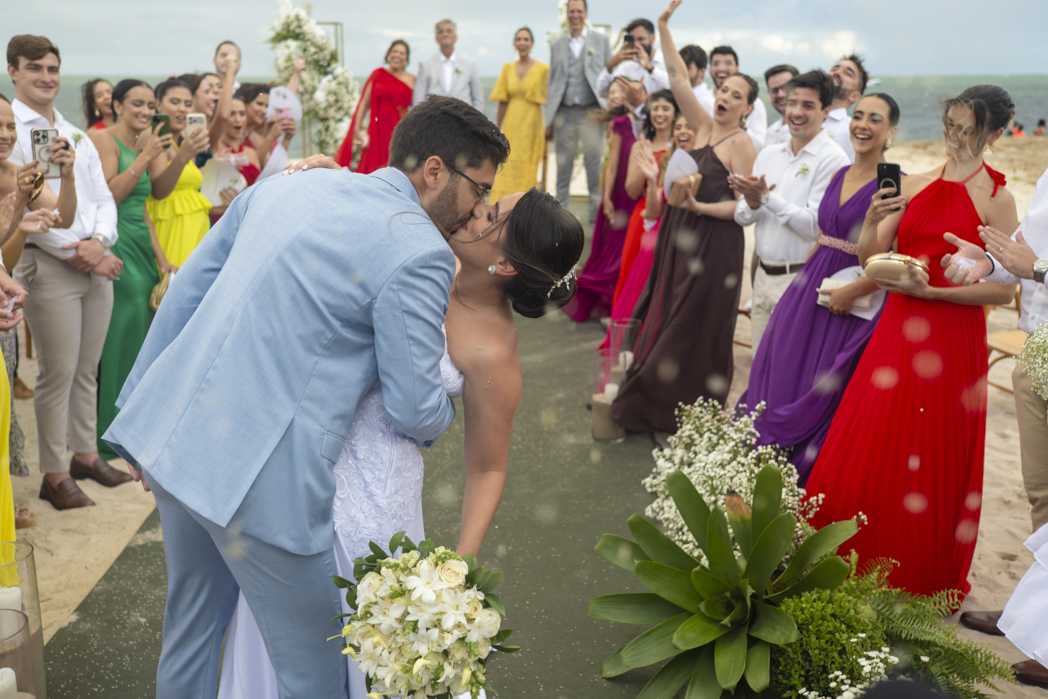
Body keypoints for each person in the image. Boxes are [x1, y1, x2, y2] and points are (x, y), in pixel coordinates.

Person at [101, 95, 510, 697]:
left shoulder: (286, 186)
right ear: (434, 170)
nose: (479, 208)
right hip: (263, 486)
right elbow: (413, 407)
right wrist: (447, 404)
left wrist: (142, 417)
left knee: (189, 635)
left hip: (176, 441)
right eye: (480, 189)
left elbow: (188, 287)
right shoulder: (420, 251)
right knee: (315, 674)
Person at [216, 168, 585, 699]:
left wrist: (460, 566)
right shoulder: (421, 252)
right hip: (298, 461)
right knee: (276, 635)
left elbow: (488, 465)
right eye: (486, 198)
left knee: (372, 642)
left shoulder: (493, 350)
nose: (474, 207)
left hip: (377, 495)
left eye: (491, 214)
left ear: (504, 263)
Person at [805, 85, 1020, 598]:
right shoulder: (916, 183)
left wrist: (939, 292)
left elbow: (1007, 285)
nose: (956, 138)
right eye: (951, 126)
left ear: (993, 134)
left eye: (969, 130)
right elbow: (870, 260)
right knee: (872, 440)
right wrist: (875, 221)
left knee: (933, 453)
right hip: (897, 330)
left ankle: (915, 576)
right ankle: (850, 562)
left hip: (953, 337)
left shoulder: (998, 197)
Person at [611, 0, 757, 441]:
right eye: (724, 90)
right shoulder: (700, 121)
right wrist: (662, 26)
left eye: (737, 95)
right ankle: (653, 405)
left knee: (694, 325)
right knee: (667, 311)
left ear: (748, 108)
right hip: (680, 235)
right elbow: (675, 77)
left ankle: (678, 414)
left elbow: (745, 210)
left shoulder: (742, 144)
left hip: (714, 245)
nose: (726, 98)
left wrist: (698, 209)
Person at [738, 93, 900, 483]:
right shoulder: (838, 175)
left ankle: (808, 477)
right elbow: (824, 233)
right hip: (811, 284)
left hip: (853, 296)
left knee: (823, 386)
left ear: (891, 131)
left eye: (874, 119)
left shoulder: (895, 185)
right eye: (857, 115)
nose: (862, 124)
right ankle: (762, 467)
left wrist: (853, 291)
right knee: (780, 371)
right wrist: (800, 285)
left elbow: (887, 259)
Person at [7, 35, 129, 510]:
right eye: (35, 68)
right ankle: (54, 473)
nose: (47, 77)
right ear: (13, 71)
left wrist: (102, 242)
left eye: (53, 68)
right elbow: (23, 208)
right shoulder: (9, 129)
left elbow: (102, 197)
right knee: (57, 371)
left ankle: (85, 453)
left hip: (92, 262)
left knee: (86, 370)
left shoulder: (74, 132)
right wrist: (80, 250)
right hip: (48, 263)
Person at [942, 164, 1048, 688]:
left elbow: (1038, 266)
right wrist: (984, 260)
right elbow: (1021, 259)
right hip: (1038, 351)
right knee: (1043, 499)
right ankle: (1038, 625)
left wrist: (1042, 270)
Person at [0, 91, 77, 522]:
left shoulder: (20, 175)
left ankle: (5, 503)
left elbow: (63, 218)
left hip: (5, 302)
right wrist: (15, 219)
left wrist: (66, 175)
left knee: (5, 410)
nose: (7, 134)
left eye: (11, 126)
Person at [90, 80, 177, 461]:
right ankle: (108, 434)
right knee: (122, 336)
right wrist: (143, 157)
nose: (145, 112)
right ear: (117, 105)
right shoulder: (105, 141)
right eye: (137, 104)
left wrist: (161, 258)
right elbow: (107, 197)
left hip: (142, 244)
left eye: (150, 105)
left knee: (143, 336)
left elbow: (144, 208)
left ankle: (135, 427)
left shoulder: (144, 142)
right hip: (116, 242)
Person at [731, 69, 850, 350]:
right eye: (792, 103)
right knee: (758, 364)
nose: (796, 112)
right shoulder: (769, 155)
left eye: (808, 105)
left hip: (800, 280)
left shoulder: (833, 159)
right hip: (761, 278)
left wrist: (766, 198)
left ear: (826, 111)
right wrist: (751, 201)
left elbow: (816, 226)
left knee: (787, 368)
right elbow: (741, 217)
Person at [561, 87, 648, 321]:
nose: (615, 97)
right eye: (612, 94)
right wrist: (606, 197)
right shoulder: (622, 123)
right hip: (619, 194)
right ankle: (596, 292)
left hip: (638, 194)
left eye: (621, 92)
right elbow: (612, 163)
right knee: (612, 249)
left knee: (628, 248)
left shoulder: (649, 125)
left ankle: (619, 298)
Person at [605, 113, 694, 338]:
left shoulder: (708, 161)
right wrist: (653, 181)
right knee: (641, 289)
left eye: (689, 127)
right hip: (660, 234)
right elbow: (654, 210)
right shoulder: (668, 160)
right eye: (679, 126)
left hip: (692, 237)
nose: (683, 131)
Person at [546, 0, 612, 225]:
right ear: (567, 14)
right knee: (563, 171)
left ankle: (595, 225)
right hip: (565, 113)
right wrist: (549, 120)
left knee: (594, 171)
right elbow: (553, 83)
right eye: (571, 11)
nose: (575, 15)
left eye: (579, 11)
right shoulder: (557, 44)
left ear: (586, 13)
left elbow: (608, 79)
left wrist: (610, 114)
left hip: (592, 112)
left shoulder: (601, 41)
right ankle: (560, 225)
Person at [146, 78, 212, 268]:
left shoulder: (181, 142)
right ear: (158, 104)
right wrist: (184, 156)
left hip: (194, 232)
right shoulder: (155, 136)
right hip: (171, 231)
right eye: (174, 102)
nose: (182, 109)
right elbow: (159, 191)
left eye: (188, 104)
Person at [489, 28, 549, 203]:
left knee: (528, 167)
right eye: (519, 39)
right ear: (514, 43)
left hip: (533, 123)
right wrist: (498, 130)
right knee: (507, 164)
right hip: (512, 122)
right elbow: (502, 101)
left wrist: (551, 125)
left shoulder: (543, 69)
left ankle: (524, 207)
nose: (522, 42)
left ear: (532, 44)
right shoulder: (507, 69)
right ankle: (501, 206)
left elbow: (550, 98)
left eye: (526, 39)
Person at [336, 40, 415, 173]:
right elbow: (364, 103)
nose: (397, 55)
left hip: (399, 130)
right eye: (394, 51)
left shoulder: (412, 79)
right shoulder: (378, 74)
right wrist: (357, 130)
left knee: (396, 167)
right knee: (372, 168)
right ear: (388, 55)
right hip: (377, 130)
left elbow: (416, 107)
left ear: (406, 59)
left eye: (402, 53)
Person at [696, 46, 768, 150]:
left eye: (728, 63)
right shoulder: (701, 102)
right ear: (710, 70)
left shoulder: (755, 104)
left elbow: (760, 147)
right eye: (716, 64)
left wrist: (741, 125)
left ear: (737, 69)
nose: (722, 68)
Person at [412, 20, 484, 112]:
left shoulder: (469, 64)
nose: (445, 34)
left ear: (455, 37)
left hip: (463, 121)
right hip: (434, 119)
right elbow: (419, 99)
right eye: (440, 32)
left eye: (449, 31)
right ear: (436, 38)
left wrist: (476, 124)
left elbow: (478, 99)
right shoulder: (425, 64)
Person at [595, 19, 670, 98]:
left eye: (641, 39)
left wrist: (650, 69)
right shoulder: (627, 65)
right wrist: (610, 65)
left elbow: (675, 87)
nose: (637, 44)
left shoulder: (666, 61)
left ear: (653, 38)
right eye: (632, 40)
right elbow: (602, 92)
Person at [237, 83, 296, 174]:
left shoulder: (253, 134)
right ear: (243, 102)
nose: (264, 111)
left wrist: (287, 138)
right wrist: (271, 136)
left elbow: (271, 165)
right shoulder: (233, 131)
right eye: (259, 104)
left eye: (266, 106)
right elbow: (257, 166)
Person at [823, 54, 868, 163]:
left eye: (848, 73)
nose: (837, 73)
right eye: (834, 69)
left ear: (854, 96)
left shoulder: (852, 131)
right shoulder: (802, 119)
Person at [763, 64, 799, 148]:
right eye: (774, 91)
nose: (780, 94)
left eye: (786, 88)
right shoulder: (770, 132)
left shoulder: (810, 130)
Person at [680, 44, 711, 109]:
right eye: (680, 67)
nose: (681, 72)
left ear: (701, 72)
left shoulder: (704, 102)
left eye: (688, 68)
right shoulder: (679, 95)